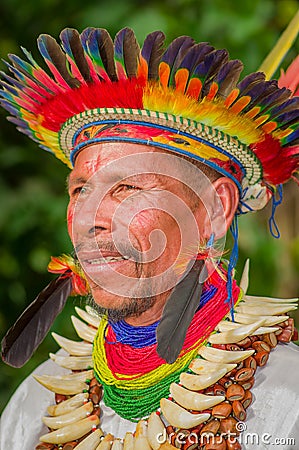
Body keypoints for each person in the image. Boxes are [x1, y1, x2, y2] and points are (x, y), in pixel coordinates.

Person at [0, 23, 299, 450]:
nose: (90, 218)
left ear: (215, 209)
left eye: (128, 188)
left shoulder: (285, 401)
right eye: (80, 189)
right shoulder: (37, 403)